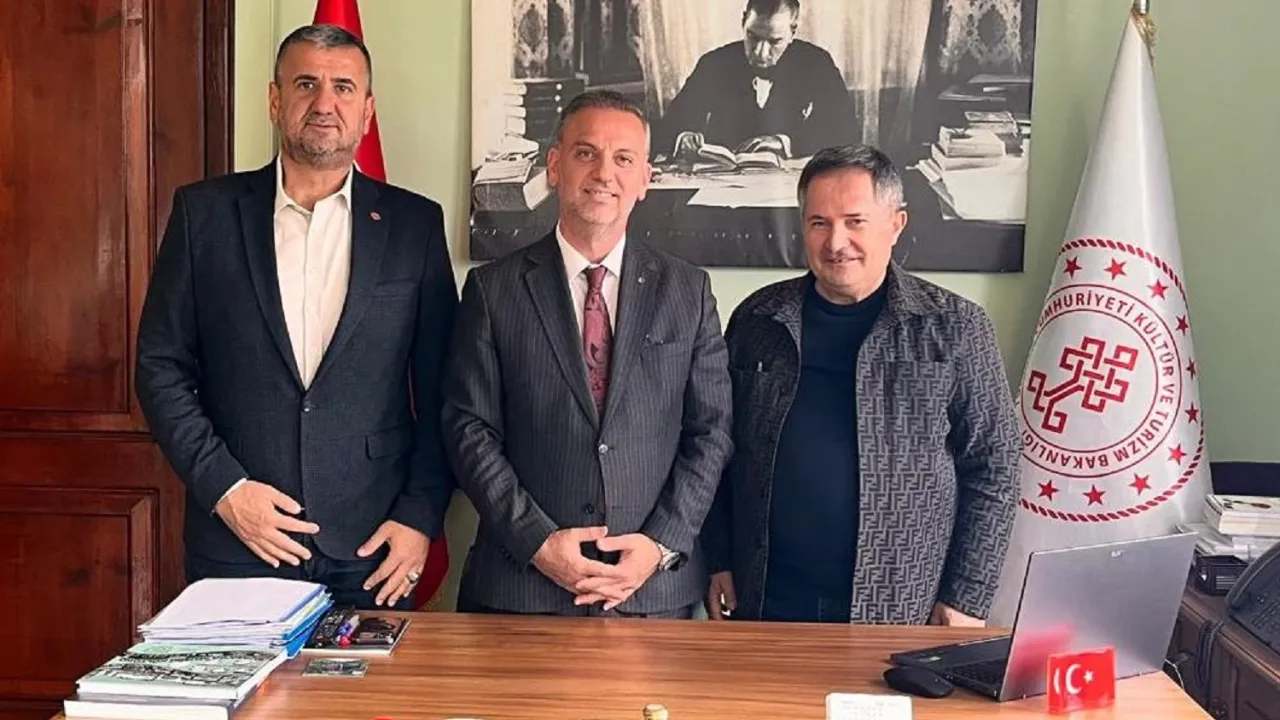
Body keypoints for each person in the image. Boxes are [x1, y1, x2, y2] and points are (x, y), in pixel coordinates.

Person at [135, 24, 458, 610]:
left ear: (367, 110)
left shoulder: (415, 226)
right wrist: (225, 489)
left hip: (374, 545)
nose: (324, 103)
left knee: (364, 681)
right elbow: (161, 367)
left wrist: (419, 515)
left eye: (343, 87)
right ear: (274, 99)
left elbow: (443, 389)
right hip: (239, 537)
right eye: (306, 84)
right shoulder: (203, 215)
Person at [443, 89, 734, 618]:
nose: (604, 173)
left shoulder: (687, 291)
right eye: (586, 153)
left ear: (645, 179)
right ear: (555, 166)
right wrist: (536, 541)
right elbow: (469, 429)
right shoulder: (493, 290)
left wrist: (659, 545)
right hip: (519, 591)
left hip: (651, 594)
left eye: (623, 158)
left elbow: (711, 433)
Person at [701, 145, 1020, 625]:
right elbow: (718, 449)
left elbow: (995, 465)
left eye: (855, 222)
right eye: (819, 223)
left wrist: (966, 598)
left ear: (895, 224)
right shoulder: (758, 319)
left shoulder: (955, 327)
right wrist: (719, 558)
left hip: (901, 603)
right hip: (766, 595)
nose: (836, 242)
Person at [653, 0, 855, 162]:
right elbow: (670, 127)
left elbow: (845, 131)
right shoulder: (713, 63)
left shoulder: (817, 63)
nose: (760, 52)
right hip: (721, 184)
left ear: (792, 32)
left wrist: (784, 143)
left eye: (775, 41)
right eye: (753, 37)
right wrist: (683, 139)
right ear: (743, 22)